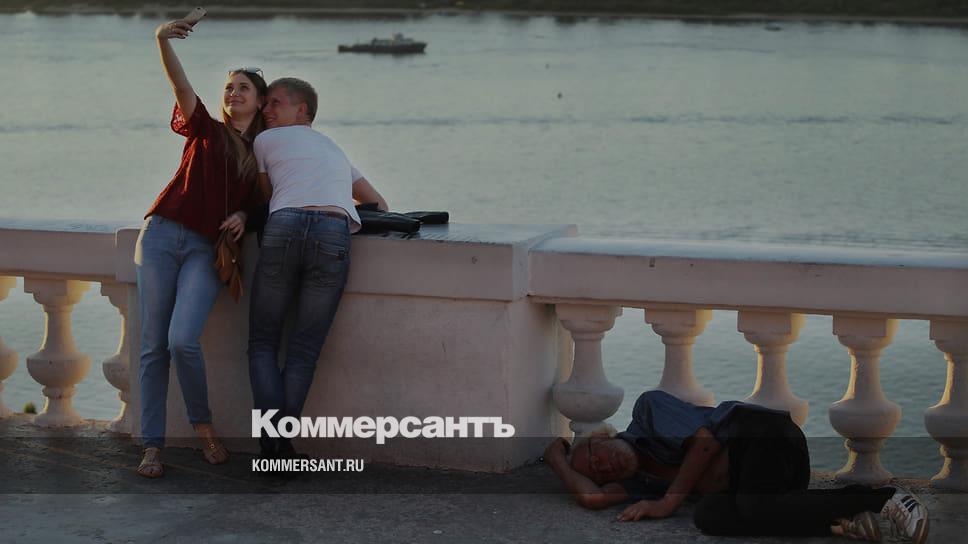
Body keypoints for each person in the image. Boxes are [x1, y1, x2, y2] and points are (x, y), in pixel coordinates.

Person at [135, 18, 268, 478]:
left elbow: (263, 204)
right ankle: (152, 445)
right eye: (229, 86)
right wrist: (161, 39)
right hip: (159, 235)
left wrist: (245, 215)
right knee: (153, 347)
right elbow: (180, 84)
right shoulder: (206, 128)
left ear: (260, 100)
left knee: (181, 340)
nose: (233, 93)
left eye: (243, 87)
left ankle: (203, 425)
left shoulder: (264, 154)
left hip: (204, 249)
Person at [544, 390, 930, 544]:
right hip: (760, 490)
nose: (603, 465)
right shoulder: (639, 483)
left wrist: (668, 502)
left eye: (595, 453)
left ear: (605, 434)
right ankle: (842, 521)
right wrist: (557, 460)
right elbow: (593, 498)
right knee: (710, 517)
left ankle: (885, 499)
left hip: (763, 435)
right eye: (596, 470)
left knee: (751, 506)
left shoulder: (648, 413)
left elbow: (705, 442)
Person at [247, 77, 387, 458]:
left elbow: (266, 197)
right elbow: (378, 204)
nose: (265, 110)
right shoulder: (333, 148)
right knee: (304, 349)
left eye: (275, 103)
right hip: (334, 229)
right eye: (266, 104)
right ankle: (281, 446)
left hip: (285, 224)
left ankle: (272, 446)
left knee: (263, 343)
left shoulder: (264, 140)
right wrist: (331, 198)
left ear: (302, 110)